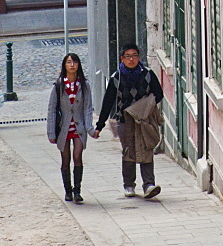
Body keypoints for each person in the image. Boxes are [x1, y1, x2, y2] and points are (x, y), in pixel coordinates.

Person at [92, 42, 164, 199]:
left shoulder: (147, 74)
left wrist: (143, 107)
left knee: (146, 148)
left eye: (134, 56)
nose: (131, 60)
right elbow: (108, 102)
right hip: (125, 121)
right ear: (122, 59)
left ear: (139, 57)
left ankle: (149, 185)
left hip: (144, 120)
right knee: (129, 151)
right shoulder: (116, 78)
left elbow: (158, 94)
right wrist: (99, 125)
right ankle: (129, 185)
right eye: (128, 56)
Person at [47, 53, 95, 204]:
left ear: (79, 65)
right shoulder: (59, 86)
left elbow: (87, 108)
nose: (72, 65)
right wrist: (51, 132)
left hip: (79, 127)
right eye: (69, 62)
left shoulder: (84, 85)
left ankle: (77, 190)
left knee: (77, 156)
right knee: (65, 159)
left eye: (74, 62)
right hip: (64, 128)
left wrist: (90, 128)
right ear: (65, 65)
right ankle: (68, 190)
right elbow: (52, 109)